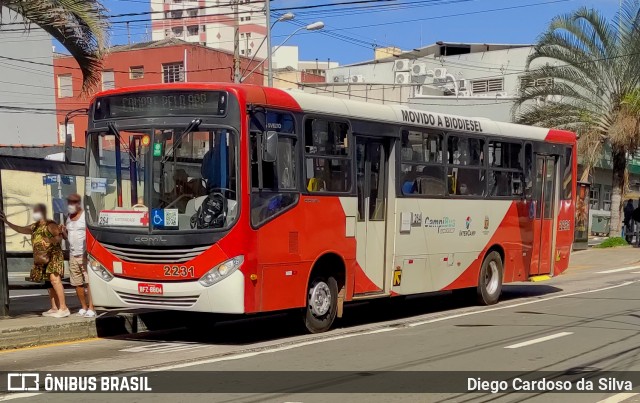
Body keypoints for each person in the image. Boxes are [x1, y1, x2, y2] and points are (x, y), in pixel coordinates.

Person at [0, 204, 69, 318]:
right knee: (49, 283)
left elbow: (60, 237)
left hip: (53, 256)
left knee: (55, 280)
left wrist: (49, 240)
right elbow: (21, 229)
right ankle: (54, 307)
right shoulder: (35, 227)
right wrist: (7, 222)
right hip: (43, 258)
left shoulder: (50, 224)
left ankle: (63, 307)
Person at [61, 194, 95, 318]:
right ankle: (84, 306)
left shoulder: (85, 216)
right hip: (72, 254)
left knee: (89, 282)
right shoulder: (68, 218)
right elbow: (66, 237)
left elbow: (91, 234)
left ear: (78, 203)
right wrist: (63, 231)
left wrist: (89, 251)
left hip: (85, 254)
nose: (70, 205)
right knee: (77, 282)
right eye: (69, 202)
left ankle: (91, 307)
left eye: (73, 202)